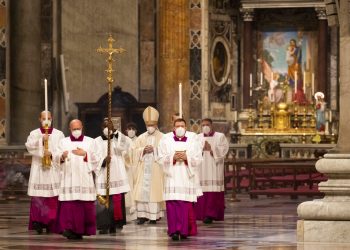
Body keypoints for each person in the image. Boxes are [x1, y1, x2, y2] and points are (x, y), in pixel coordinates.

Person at [158, 118, 203, 241]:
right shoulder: (165, 139)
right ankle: (173, 231)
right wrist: (172, 157)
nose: (180, 128)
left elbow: (198, 158)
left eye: (182, 125)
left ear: (186, 127)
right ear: (173, 127)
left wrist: (186, 157)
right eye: (177, 126)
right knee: (172, 204)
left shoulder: (193, 139)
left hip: (185, 176)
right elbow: (160, 157)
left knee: (183, 205)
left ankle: (183, 231)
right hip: (171, 176)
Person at [57, 119, 100, 240]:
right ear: (70, 129)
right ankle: (69, 229)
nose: (76, 131)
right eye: (74, 129)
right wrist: (61, 156)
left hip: (84, 179)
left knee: (83, 205)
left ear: (82, 128)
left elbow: (97, 159)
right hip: (69, 179)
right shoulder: (63, 142)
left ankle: (82, 230)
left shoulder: (90, 142)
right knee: (69, 206)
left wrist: (85, 154)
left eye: (78, 128)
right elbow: (56, 159)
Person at [25, 111, 65, 234]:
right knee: (39, 196)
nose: (46, 120)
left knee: (52, 197)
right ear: (39, 119)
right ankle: (38, 222)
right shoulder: (34, 133)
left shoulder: (59, 134)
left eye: (48, 118)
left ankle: (50, 222)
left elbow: (62, 150)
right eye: (43, 118)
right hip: (39, 168)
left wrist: (52, 154)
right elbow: (29, 146)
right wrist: (41, 141)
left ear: (52, 118)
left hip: (53, 168)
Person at [94, 119, 131, 234]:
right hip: (103, 173)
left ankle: (115, 224)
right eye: (105, 125)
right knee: (104, 200)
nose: (107, 128)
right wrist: (103, 161)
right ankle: (104, 225)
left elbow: (127, 144)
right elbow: (93, 157)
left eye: (109, 125)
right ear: (101, 127)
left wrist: (116, 133)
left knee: (116, 199)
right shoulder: (96, 141)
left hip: (116, 174)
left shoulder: (117, 139)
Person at [132, 106, 164, 225]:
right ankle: (142, 216)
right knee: (141, 192)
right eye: (148, 125)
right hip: (143, 169)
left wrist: (155, 150)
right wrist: (143, 150)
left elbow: (166, 152)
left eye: (152, 124)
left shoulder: (163, 137)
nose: (150, 127)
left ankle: (153, 217)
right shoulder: (141, 137)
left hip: (156, 169)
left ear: (156, 124)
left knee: (153, 193)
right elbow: (133, 151)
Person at [195, 118, 229, 224]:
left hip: (214, 168)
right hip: (201, 169)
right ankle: (202, 214)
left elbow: (224, 150)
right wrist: (200, 149)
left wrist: (212, 149)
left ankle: (211, 214)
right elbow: (193, 152)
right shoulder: (197, 138)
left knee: (213, 193)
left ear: (211, 125)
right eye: (203, 124)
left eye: (207, 124)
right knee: (202, 192)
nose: (205, 126)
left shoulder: (220, 136)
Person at [124, 122, 138, 221]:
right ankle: (128, 211)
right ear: (126, 130)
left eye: (133, 129)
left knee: (136, 188)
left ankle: (138, 212)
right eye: (129, 129)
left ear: (136, 131)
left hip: (137, 167)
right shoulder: (124, 140)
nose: (131, 131)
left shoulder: (139, 140)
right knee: (129, 189)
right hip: (127, 168)